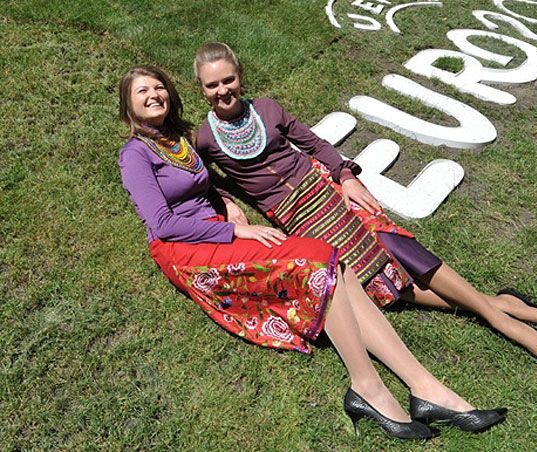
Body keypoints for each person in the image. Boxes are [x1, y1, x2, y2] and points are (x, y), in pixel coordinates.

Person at [118, 66, 507, 442]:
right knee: (318, 263)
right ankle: (367, 386)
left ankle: (425, 388)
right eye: (142, 91)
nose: (154, 95)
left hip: (214, 232)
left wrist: (224, 200)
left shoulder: (179, 138)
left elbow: (201, 182)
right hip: (187, 250)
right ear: (128, 105)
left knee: (334, 261)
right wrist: (234, 229)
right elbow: (163, 224)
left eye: (158, 87)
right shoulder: (134, 154)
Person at [193, 42, 537, 372]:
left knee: (396, 247)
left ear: (240, 76)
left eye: (229, 80)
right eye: (213, 85)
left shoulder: (268, 109)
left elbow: (315, 145)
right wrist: (227, 202)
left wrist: (346, 176)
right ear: (202, 89)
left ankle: (505, 322)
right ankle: (506, 305)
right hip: (296, 215)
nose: (223, 90)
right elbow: (200, 181)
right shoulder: (205, 139)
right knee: (383, 285)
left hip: (323, 188)